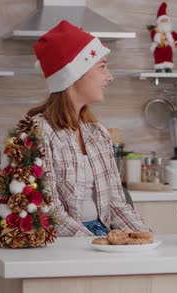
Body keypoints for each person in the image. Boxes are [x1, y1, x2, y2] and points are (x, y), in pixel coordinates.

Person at [28, 20, 150, 237]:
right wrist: (93, 243)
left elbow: (116, 204)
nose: (109, 76)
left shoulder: (98, 133)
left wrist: (145, 237)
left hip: (101, 235)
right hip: (63, 243)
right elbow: (49, 210)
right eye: (102, 66)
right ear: (75, 74)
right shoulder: (39, 132)